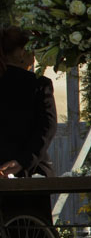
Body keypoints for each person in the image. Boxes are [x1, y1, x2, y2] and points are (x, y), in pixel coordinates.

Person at [0, 28, 57, 223]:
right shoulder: (39, 85)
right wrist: (24, 161)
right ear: (22, 53)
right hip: (31, 171)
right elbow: (47, 128)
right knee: (34, 232)